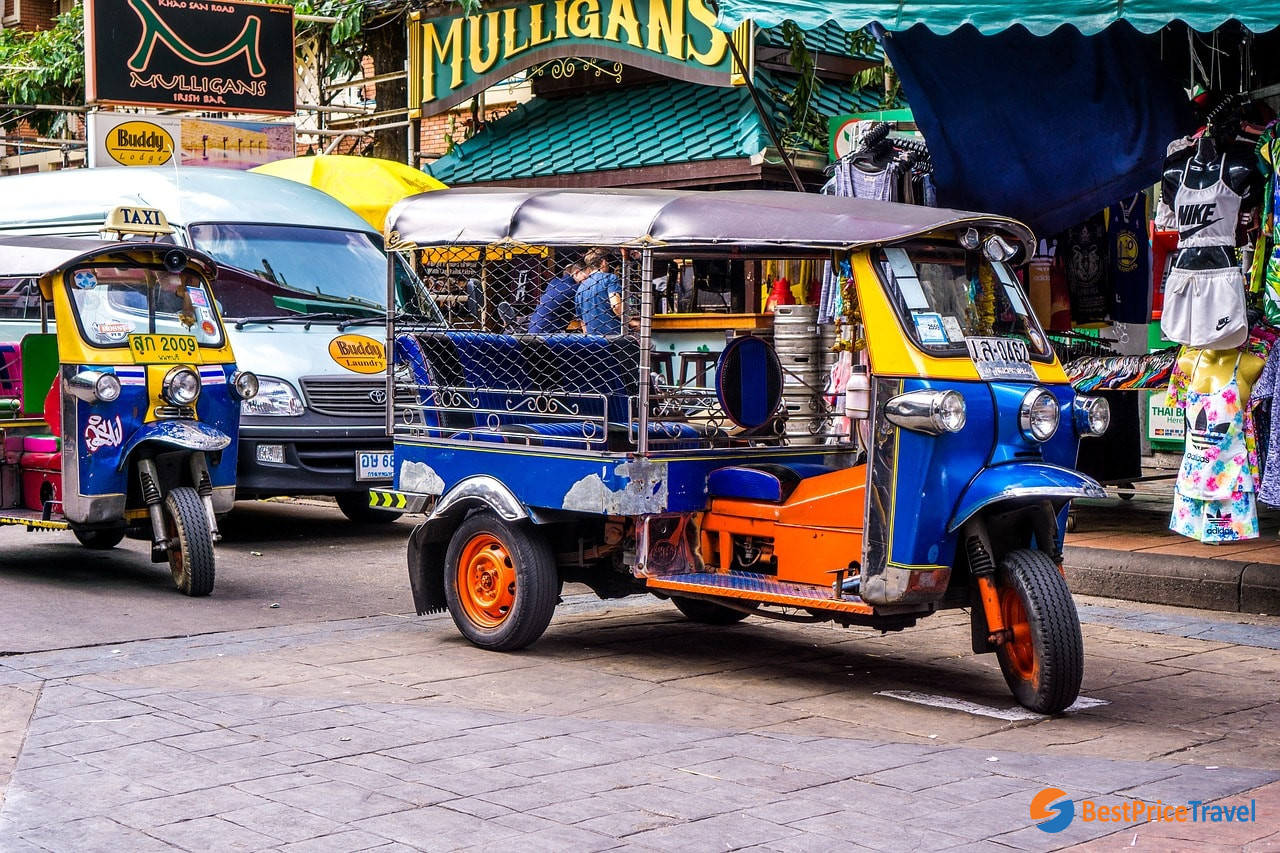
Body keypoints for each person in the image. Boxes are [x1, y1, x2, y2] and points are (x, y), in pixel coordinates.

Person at [574, 248, 623, 335]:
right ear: (604, 262)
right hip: (614, 335)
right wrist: (629, 322)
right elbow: (616, 306)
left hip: (592, 339)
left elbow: (582, 322)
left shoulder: (580, 288)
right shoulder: (610, 278)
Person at [528, 261, 583, 334]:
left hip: (532, 331)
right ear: (576, 273)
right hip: (550, 335)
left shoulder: (554, 282)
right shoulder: (576, 288)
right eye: (586, 277)